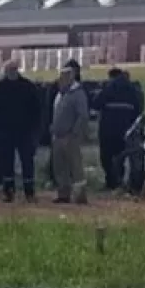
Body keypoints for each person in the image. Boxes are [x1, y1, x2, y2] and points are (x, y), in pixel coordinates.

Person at [0, 59, 42, 202]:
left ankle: (28, 191)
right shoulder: (2, 87)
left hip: (22, 131)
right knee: (8, 162)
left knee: (26, 161)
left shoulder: (24, 86)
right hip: (7, 131)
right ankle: (9, 191)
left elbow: (36, 110)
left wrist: (35, 129)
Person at [94, 67, 141, 190]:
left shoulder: (109, 87)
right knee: (121, 154)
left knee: (107, 156)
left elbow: (97, 103)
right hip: (125, 127)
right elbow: (139, 109)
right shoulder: (133, 89)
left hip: (108, 127)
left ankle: (111, 182)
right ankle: (119, 179)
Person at [51, 66, 89, 204]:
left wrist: (74, 133)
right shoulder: (61, 94)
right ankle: (63, 193)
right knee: (60, 167)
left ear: (70, 78)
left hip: (70, 136)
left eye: (63, 77)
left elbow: (83, 115)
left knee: (75, 166)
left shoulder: (78, 94)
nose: (60, 80)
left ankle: (80, 195)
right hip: (57, 136)